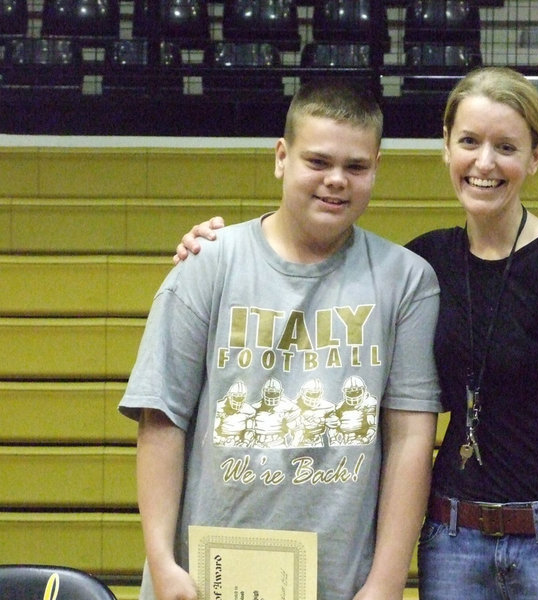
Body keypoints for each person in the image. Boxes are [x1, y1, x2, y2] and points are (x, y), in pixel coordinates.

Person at [176, 66, 538, 600]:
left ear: (534, 157)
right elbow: (314, 257)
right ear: (446, 148)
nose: (484, 162)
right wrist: (213, 244)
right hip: (454, 541)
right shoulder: (423, 264)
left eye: (505, 147)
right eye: (469, 142)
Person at [120, 79, 442, 600]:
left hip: (340, 583)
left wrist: (385, 582)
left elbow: (410, 439)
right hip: (205, 581)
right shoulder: (209, 263)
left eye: (356, 167)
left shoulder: (407, 280)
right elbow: (162, 419)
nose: (336, 180)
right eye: (318, 161)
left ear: (377, 168)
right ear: (281, 157)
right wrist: (162, 563)